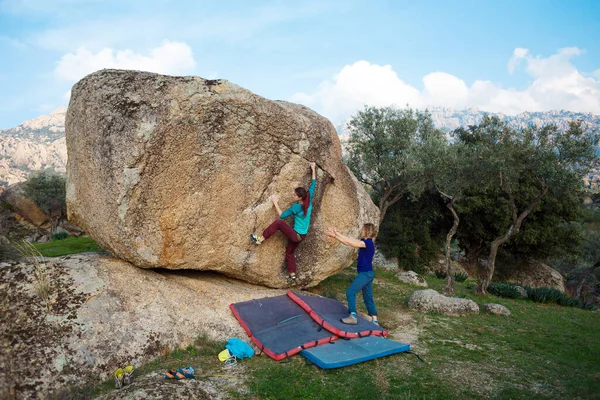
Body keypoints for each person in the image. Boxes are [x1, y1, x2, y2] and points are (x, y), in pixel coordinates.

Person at [251, 162, 317, 281]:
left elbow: (282, 216)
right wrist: (313, 168)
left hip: (296, 235)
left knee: (278, 223)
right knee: (289, 252)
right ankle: (293, 275)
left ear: (300, 198)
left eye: (295, 195)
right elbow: (314, 183)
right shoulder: (309, 198)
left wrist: (275, 201)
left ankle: (260, 239)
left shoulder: (296, 207)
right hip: (302, 236)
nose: (293, 196)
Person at [326, 223, 379, 325]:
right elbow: (351, 240)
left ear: (367, 231)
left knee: (350, 292)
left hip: (365, 274)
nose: (361, 231)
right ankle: (375, 320)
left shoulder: (368, 243)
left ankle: (353, 316)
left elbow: (348, 243)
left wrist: (336, 236)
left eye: (363, 230)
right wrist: (337, 234)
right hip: (368, 273)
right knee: (368, 297)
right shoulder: (365, 242)